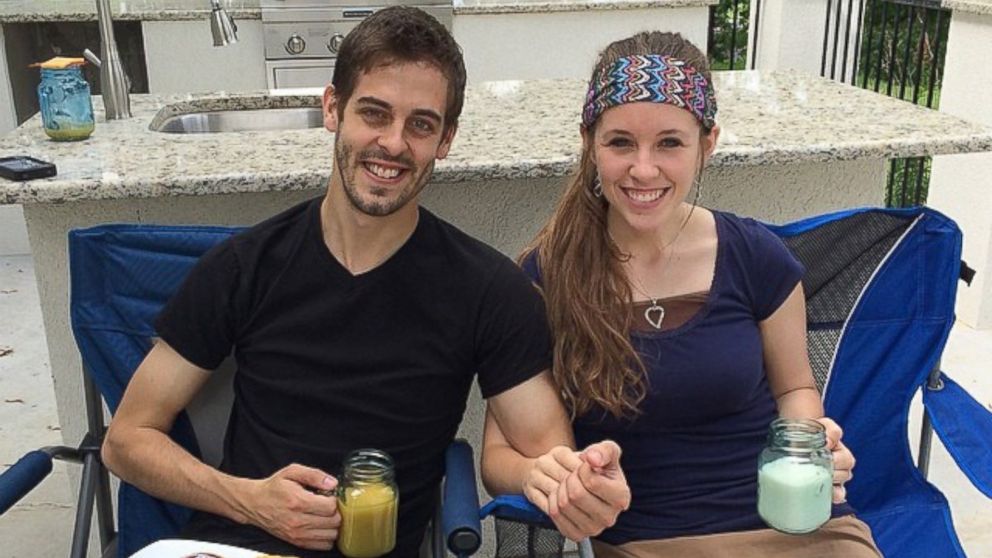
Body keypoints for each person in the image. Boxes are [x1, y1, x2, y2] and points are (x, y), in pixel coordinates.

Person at [101, 7, 628, 558]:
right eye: (374, 113)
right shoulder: (244, 267)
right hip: (236, 545)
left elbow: (542, 456)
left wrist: (574, 485)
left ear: (446, 139)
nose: (393, 144)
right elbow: (127, 441)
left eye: (421, 124)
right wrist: (249, 500)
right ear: (333, 109)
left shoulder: (490, 292)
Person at [483, 31, 883, 557]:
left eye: (669, 142)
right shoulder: (543, 278)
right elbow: (495, 456)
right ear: (589, 142)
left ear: (707, 143)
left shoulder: (757, 258)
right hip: (643, 541)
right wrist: (540, 473)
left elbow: (794, 391)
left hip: (794, 530)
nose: (643, 169)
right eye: (620, 142)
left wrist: (809, 442)